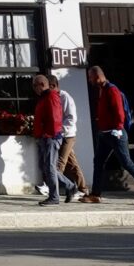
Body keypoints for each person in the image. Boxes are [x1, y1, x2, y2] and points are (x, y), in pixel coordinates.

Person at [87, 64, 134, 206]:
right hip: (104, 134)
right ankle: (95, 194)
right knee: (98, 162)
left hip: (115, 134)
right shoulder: (102, 90)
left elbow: (119, 113)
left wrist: (118, 129)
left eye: (90, 77)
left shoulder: (112, 90)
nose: (89, 80)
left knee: (126, 163)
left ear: (98, 76)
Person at [31, 72, 79, 205]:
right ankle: (70, 186)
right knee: (46, 167)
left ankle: (54, 196)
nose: (34, 89)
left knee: (50, 167)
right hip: (45, 136)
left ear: (42, 85)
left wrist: (49, 134)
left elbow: (55, 117)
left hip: (50, 137)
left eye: (35, 86)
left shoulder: (51, 96)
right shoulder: (44, 97)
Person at [56, 75, 97, 203]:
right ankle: (83, 189)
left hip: (68, 134)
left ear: (52, 86)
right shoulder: (54, 97)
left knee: (60, 163)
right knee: (72, 164)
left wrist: (60, 129)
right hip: (61, 134)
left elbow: (71, 118)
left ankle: (51, 187)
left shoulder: (65, 97)